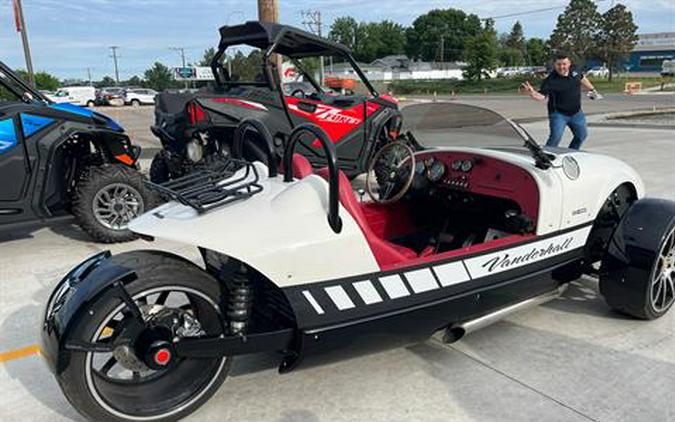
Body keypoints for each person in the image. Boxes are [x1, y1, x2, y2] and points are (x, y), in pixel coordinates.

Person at [521, 53, 602, 149]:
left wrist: (592, 89)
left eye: (564, 64)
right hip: (558, 114)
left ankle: (571, 152)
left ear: (569, 64)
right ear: (554, 65)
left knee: (581, 136)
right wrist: (532, 93)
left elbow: (582, 78)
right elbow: (542, 96)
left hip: (576, 113)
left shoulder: (574, 71)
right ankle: (547, 157)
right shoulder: (550, 80)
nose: (562, 67)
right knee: (555, 137)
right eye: (558, 64)